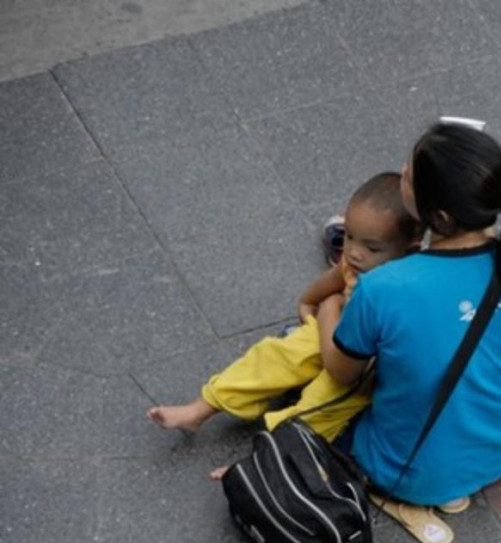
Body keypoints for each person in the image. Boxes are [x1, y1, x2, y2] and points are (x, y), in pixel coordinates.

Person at [305, 122, 501, 543]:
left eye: (410, 177)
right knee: (486, 338)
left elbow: (340, 371)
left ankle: (408, 498)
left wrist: (328, 307)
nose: (401, 174)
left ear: (440, 217)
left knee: (314, 378)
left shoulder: (385, 288)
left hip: (409, 474)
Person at [146, 172, 423, 444]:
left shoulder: (404, 288)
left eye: (371, 248)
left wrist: (328, 310)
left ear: (409, 251)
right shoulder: (354, 266)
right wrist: (308, 310)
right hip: (334, 331)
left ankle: (273, 452)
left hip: (363, 365)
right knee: (274, 355)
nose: (353, 252)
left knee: (323, 403)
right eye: (349, 236)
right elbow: (314, 295)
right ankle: (200, 409)